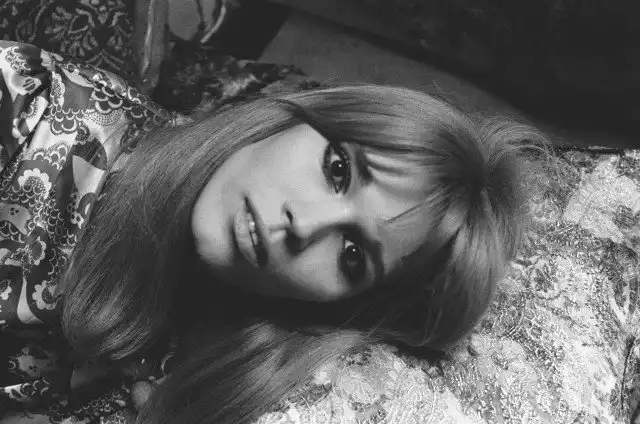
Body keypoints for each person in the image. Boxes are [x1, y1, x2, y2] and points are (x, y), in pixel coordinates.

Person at [0, 40, 548, 424]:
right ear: (298, 118)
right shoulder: (32, 111)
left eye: (352, 255)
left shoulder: (194, 373)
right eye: (338, 169)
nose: (303, 226)